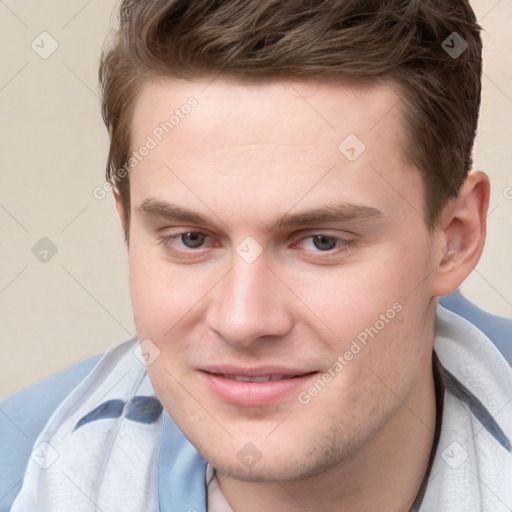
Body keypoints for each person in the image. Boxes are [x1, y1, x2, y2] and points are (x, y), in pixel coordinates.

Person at [1, 1, 511, 511]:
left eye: (321, 242)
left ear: (455, 238)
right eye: (192, 239)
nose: (243, 322)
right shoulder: (24, 475)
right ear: (128, 228)